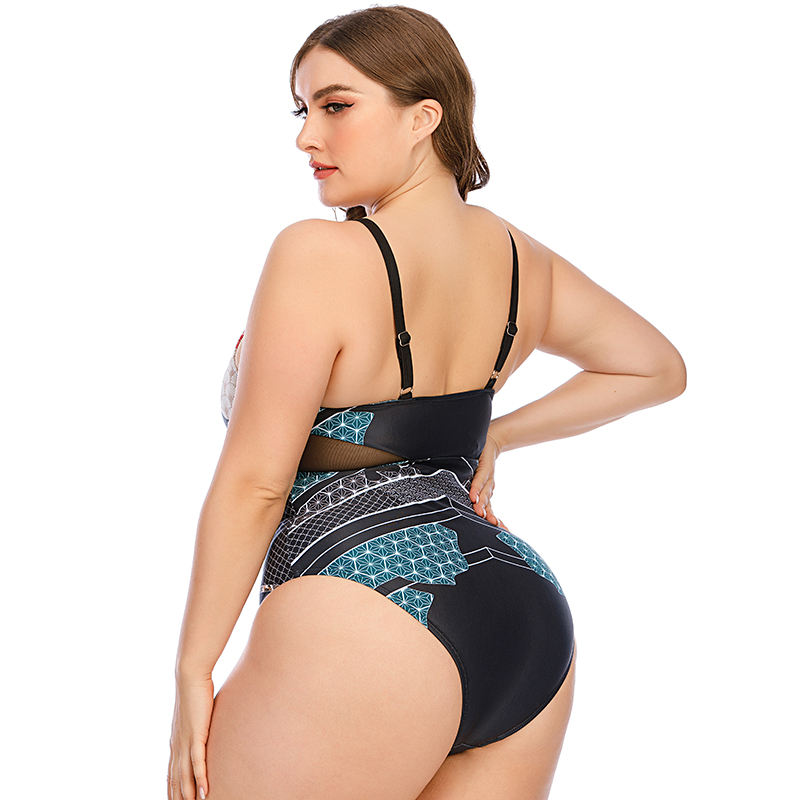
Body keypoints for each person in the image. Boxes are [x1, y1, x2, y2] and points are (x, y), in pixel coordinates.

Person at [168, 6, 687, 799]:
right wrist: (497, 435)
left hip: (363, 601)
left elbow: (258, 483)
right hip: (523, 620)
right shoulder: (523, 261)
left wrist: (193, 668)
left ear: (424, 117)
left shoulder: (317, 254)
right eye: (302, 110)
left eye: (336, 106)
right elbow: (653, 368)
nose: (308, 137)